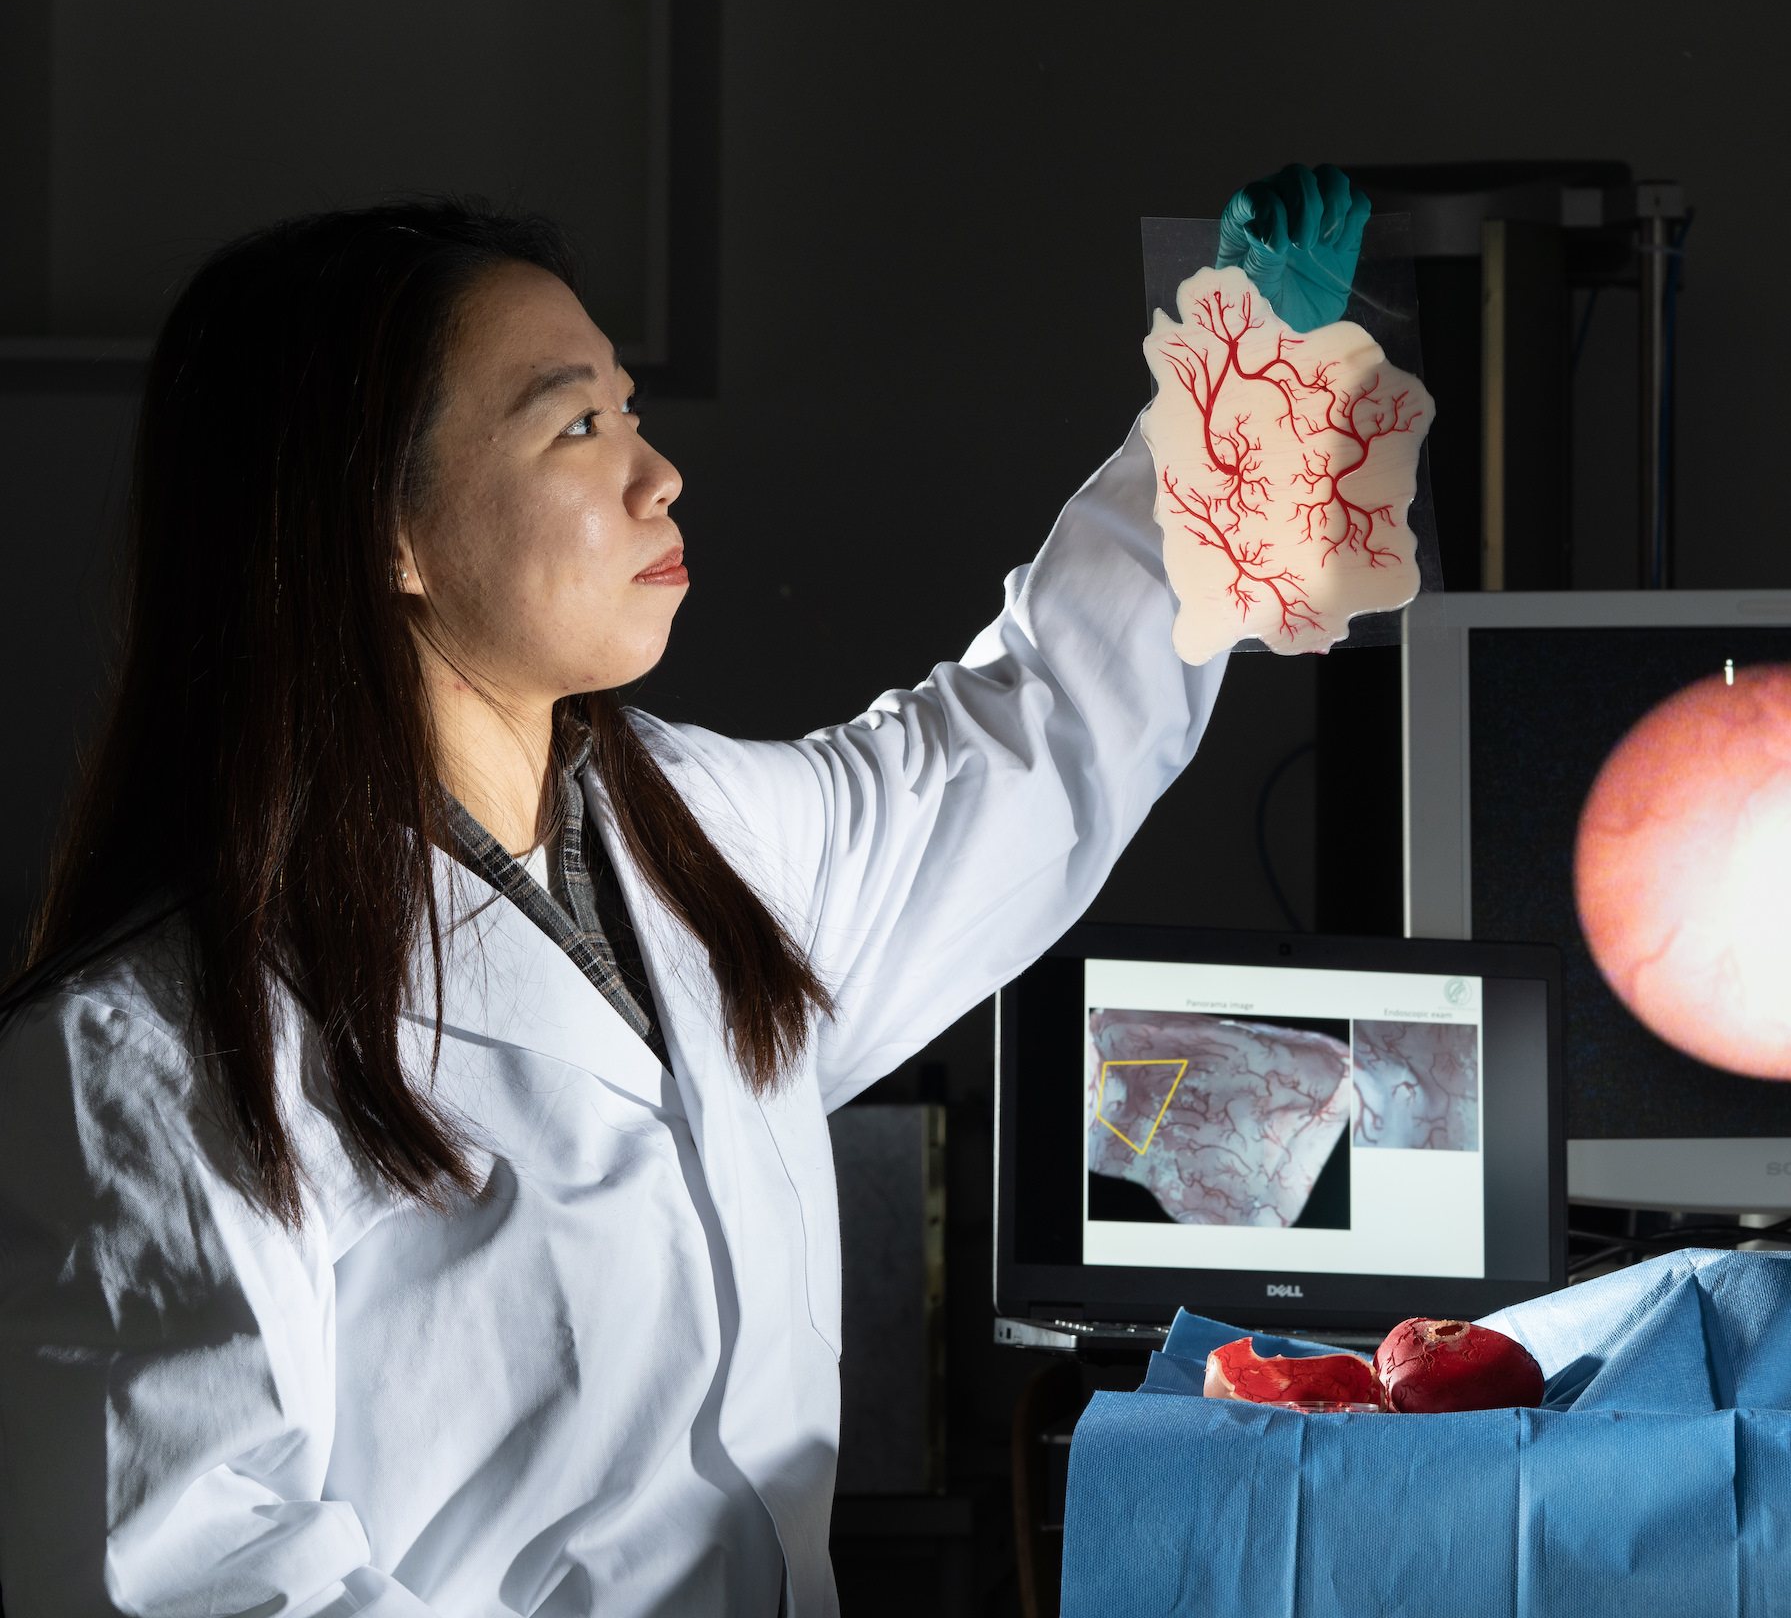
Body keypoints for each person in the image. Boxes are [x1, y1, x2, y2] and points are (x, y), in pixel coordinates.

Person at [0, 172, 1362, 1615]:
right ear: (380, 528)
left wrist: (1245, 401)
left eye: (630, 411)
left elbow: (1039, 734)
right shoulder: (148, 1049)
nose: (658, 476)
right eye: (576, 427)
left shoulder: (705, 844)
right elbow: (190, 1572)